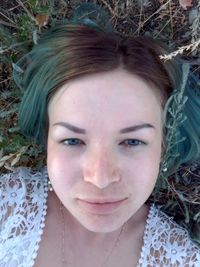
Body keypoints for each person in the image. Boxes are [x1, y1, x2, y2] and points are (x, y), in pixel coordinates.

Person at [0, 5, 200, 267]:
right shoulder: (7, 208)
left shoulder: (180, 260)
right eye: (72, 141)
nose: (101, 179)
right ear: (47, 138)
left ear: (164, 145)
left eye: (132, 141)